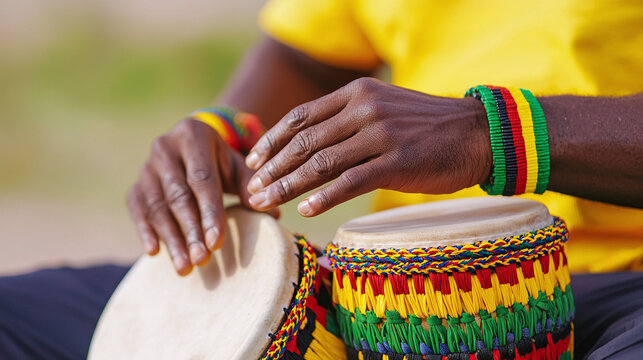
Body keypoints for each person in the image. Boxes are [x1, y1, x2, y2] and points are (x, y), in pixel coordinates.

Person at [1, 1, 642, 359]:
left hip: (622, 283)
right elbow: (301, 56)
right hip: (392, 293)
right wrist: (223, 134)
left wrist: (490, 132)